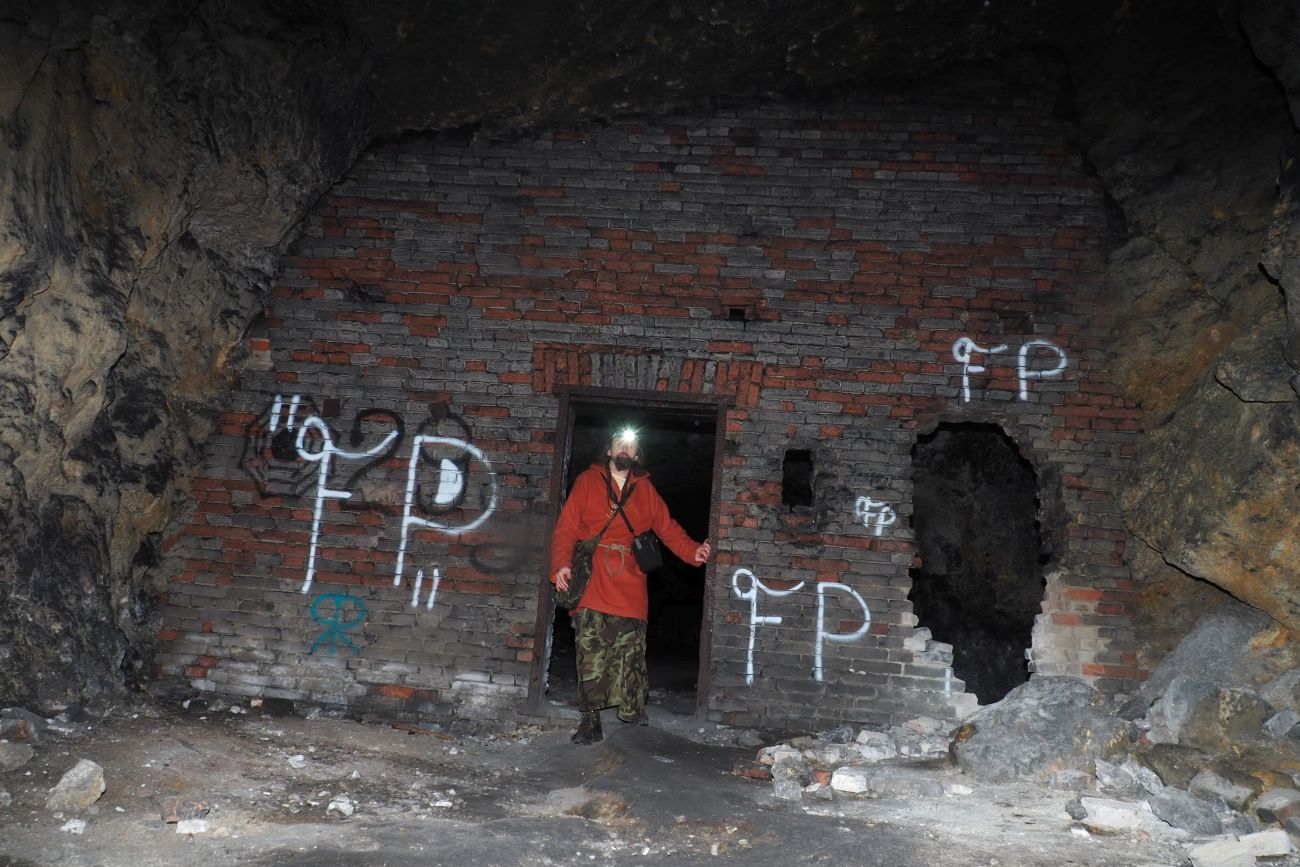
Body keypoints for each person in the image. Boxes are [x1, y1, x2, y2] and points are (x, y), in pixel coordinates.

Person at [550, 427, 712, 745]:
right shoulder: (587, 481)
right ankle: (590, 719)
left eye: (631, 446)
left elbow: (668, 529)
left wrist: (694, 551)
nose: (624, 449)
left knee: (630, 652)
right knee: (591, 651)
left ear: (637, 456)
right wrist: (560, 564)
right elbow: (566, 527)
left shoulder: (646, 490)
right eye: (619, 443)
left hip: (630, 582)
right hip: (593, 577)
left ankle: (631, 709)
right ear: (609, 451)